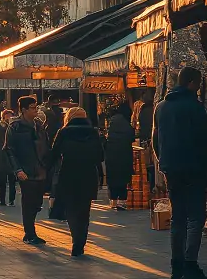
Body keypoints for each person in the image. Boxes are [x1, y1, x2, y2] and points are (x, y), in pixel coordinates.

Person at [153, 66, 207, 279]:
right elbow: (204, 140)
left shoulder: (161, 107)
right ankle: (190, 264)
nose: (199, 88)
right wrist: (206, 163)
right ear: (191, 82)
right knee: (195, 216)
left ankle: (176, 265)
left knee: (177, 216)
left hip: (172, 168)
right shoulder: (195, 107)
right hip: (193, 167)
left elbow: (155, 140)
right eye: (198, 83)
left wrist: (164, 161)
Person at [46, 108, 104, 257]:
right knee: (84, 211)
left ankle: (75, 240)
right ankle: (81, 243)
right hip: (88, 175)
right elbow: (100, 156)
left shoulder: (64, 132)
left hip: (69, 174)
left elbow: (54, 154)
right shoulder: (93, 132)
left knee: (71, 209)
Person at [7, 97, 49, 245]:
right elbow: (9, 150)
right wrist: (17, 169)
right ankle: (30, 233)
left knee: (37, 202)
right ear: (23, 110)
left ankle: (30, 231)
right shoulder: (15, 127)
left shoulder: (39, 125)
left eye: (35, 107)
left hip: (41, 169)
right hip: (25, 170)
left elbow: (46, 145)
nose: (35, 110)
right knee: (29, 201)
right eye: (32, 107)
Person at [105, 101, 136, 211]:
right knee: (123, 177)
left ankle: (113, 200)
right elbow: (132, 137)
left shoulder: (112, 121)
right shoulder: (127, 125)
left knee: (112, 176)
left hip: (111, 154)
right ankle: (122, 201)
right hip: (124, 153)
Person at [0, 109, 17, 207]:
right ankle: (2, 200)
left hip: (12, 156)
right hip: (1, 156)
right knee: (2, 181)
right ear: (3, 117)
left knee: (12, 180)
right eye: (7, 116)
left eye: (11, 116)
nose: (9, 118)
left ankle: (11, 199)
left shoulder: (15, 128)